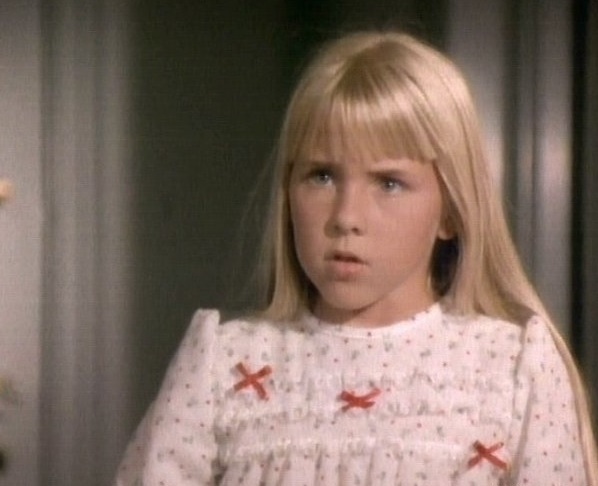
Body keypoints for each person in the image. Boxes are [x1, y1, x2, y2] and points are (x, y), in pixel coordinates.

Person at [114, 30, 598, 485]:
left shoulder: (511, 370)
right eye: (321, 176)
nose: (346, 217)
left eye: (389, 183)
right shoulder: (223, 366)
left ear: (451, 210)